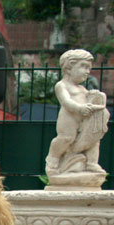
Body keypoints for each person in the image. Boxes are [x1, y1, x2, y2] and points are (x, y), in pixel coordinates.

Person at [45, 49, 109, 177]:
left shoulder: (83, 89)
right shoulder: (62, 85)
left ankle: (91, 163)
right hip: (69, 119)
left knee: (94, 139)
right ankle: (53, 159)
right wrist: (80, 108)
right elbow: (66, 102)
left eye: (89, 68)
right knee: (66, 138)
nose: (87, 71)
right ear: (69, 67)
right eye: (83, 66)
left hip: (84, 120)